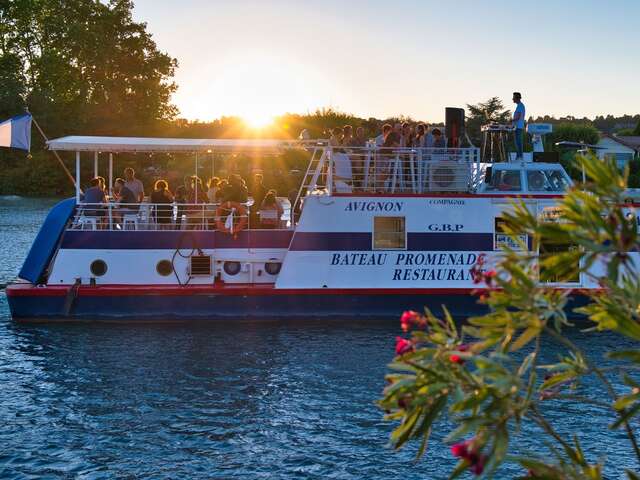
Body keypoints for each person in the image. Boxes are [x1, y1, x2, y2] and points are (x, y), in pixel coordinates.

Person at [512, 92, 526, 160]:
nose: (512, 99)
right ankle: (519, 156)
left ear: (517, 98)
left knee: (518, 142)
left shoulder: (520, 106)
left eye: (513, 97)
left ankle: (519, 156)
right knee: (517, 142)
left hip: (518, 127)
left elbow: (517, 117)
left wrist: (510, 120)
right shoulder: (519, 106)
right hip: (517, 127)